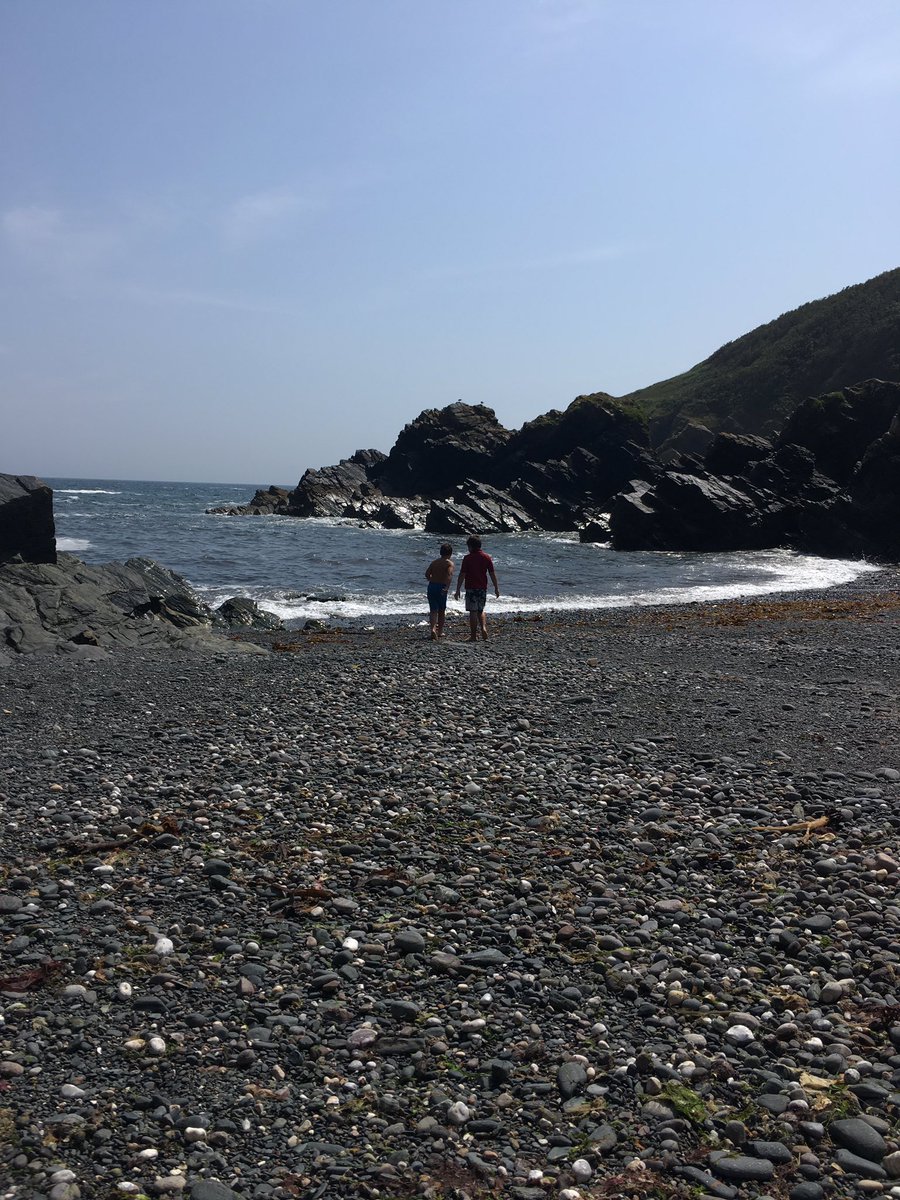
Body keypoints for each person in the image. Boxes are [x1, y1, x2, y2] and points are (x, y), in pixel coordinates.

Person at [454, 534, 500, 642]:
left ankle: (473, 636)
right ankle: (483, 628)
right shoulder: (486, 557)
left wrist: (457, 589)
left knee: (473, 612)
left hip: (471, 588)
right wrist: (496, 588)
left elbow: (462, 574)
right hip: (482, 588)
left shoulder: (467, 558)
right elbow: (492, 574)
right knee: (481, 610)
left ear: (470, 546)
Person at [425, 542, 454, 640]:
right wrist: (446, 587)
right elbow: (449, 575)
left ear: (440, 552)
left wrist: (431, 580)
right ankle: (440, 631)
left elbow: (427, 574)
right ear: (450, 554)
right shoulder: (449, 563)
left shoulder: (434, 562)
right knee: (441, 611)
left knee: (433, 610)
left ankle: (433, 629)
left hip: (432, 586)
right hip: (441, 587)